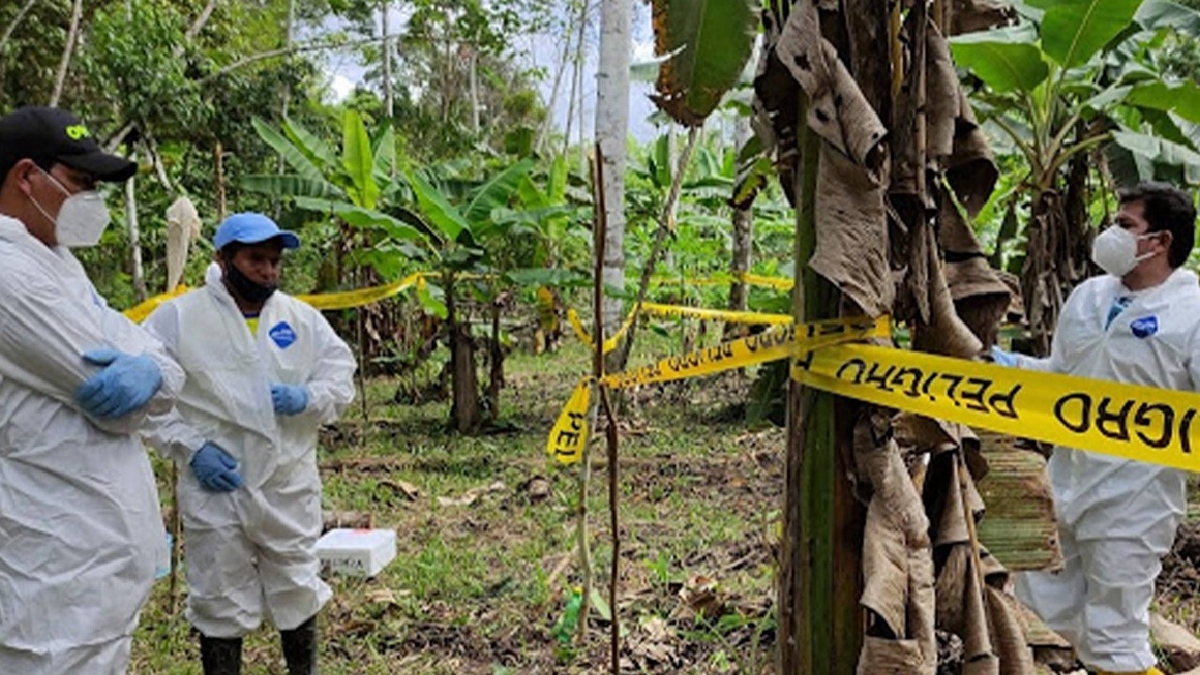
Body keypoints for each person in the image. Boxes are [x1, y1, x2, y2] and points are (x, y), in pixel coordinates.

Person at [0, 106, 185, 673]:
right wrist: (152, 375)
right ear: (26, 176)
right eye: (80, 182)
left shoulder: (57, 265)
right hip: (53, 585)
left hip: (92, 574)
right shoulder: (9, 273)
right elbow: (111, 402)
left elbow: (162, 364)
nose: (91, 200)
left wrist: (155, 372)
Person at [994, 182, 1199, 675]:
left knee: (1114, 635)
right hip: (1065, 481)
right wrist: (997, 366)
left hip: (1138, 495)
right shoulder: (1088, 296)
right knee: (1045, 618)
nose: (1112, 232)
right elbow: (1061, 377)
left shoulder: (1192, 311)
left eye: (1126, 225)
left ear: (1161, 241)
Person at [141, 212, 356, 675]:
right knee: (218, 597)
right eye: (256, 259)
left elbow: (340, 378)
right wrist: (190, 448)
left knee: (297, 587)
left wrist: (307, 397)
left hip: (287, 481)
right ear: (223, 258)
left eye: (275, 261)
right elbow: (149, 396)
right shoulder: (180, 317)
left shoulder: (301, 319)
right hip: (217, 486)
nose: (268, 271)